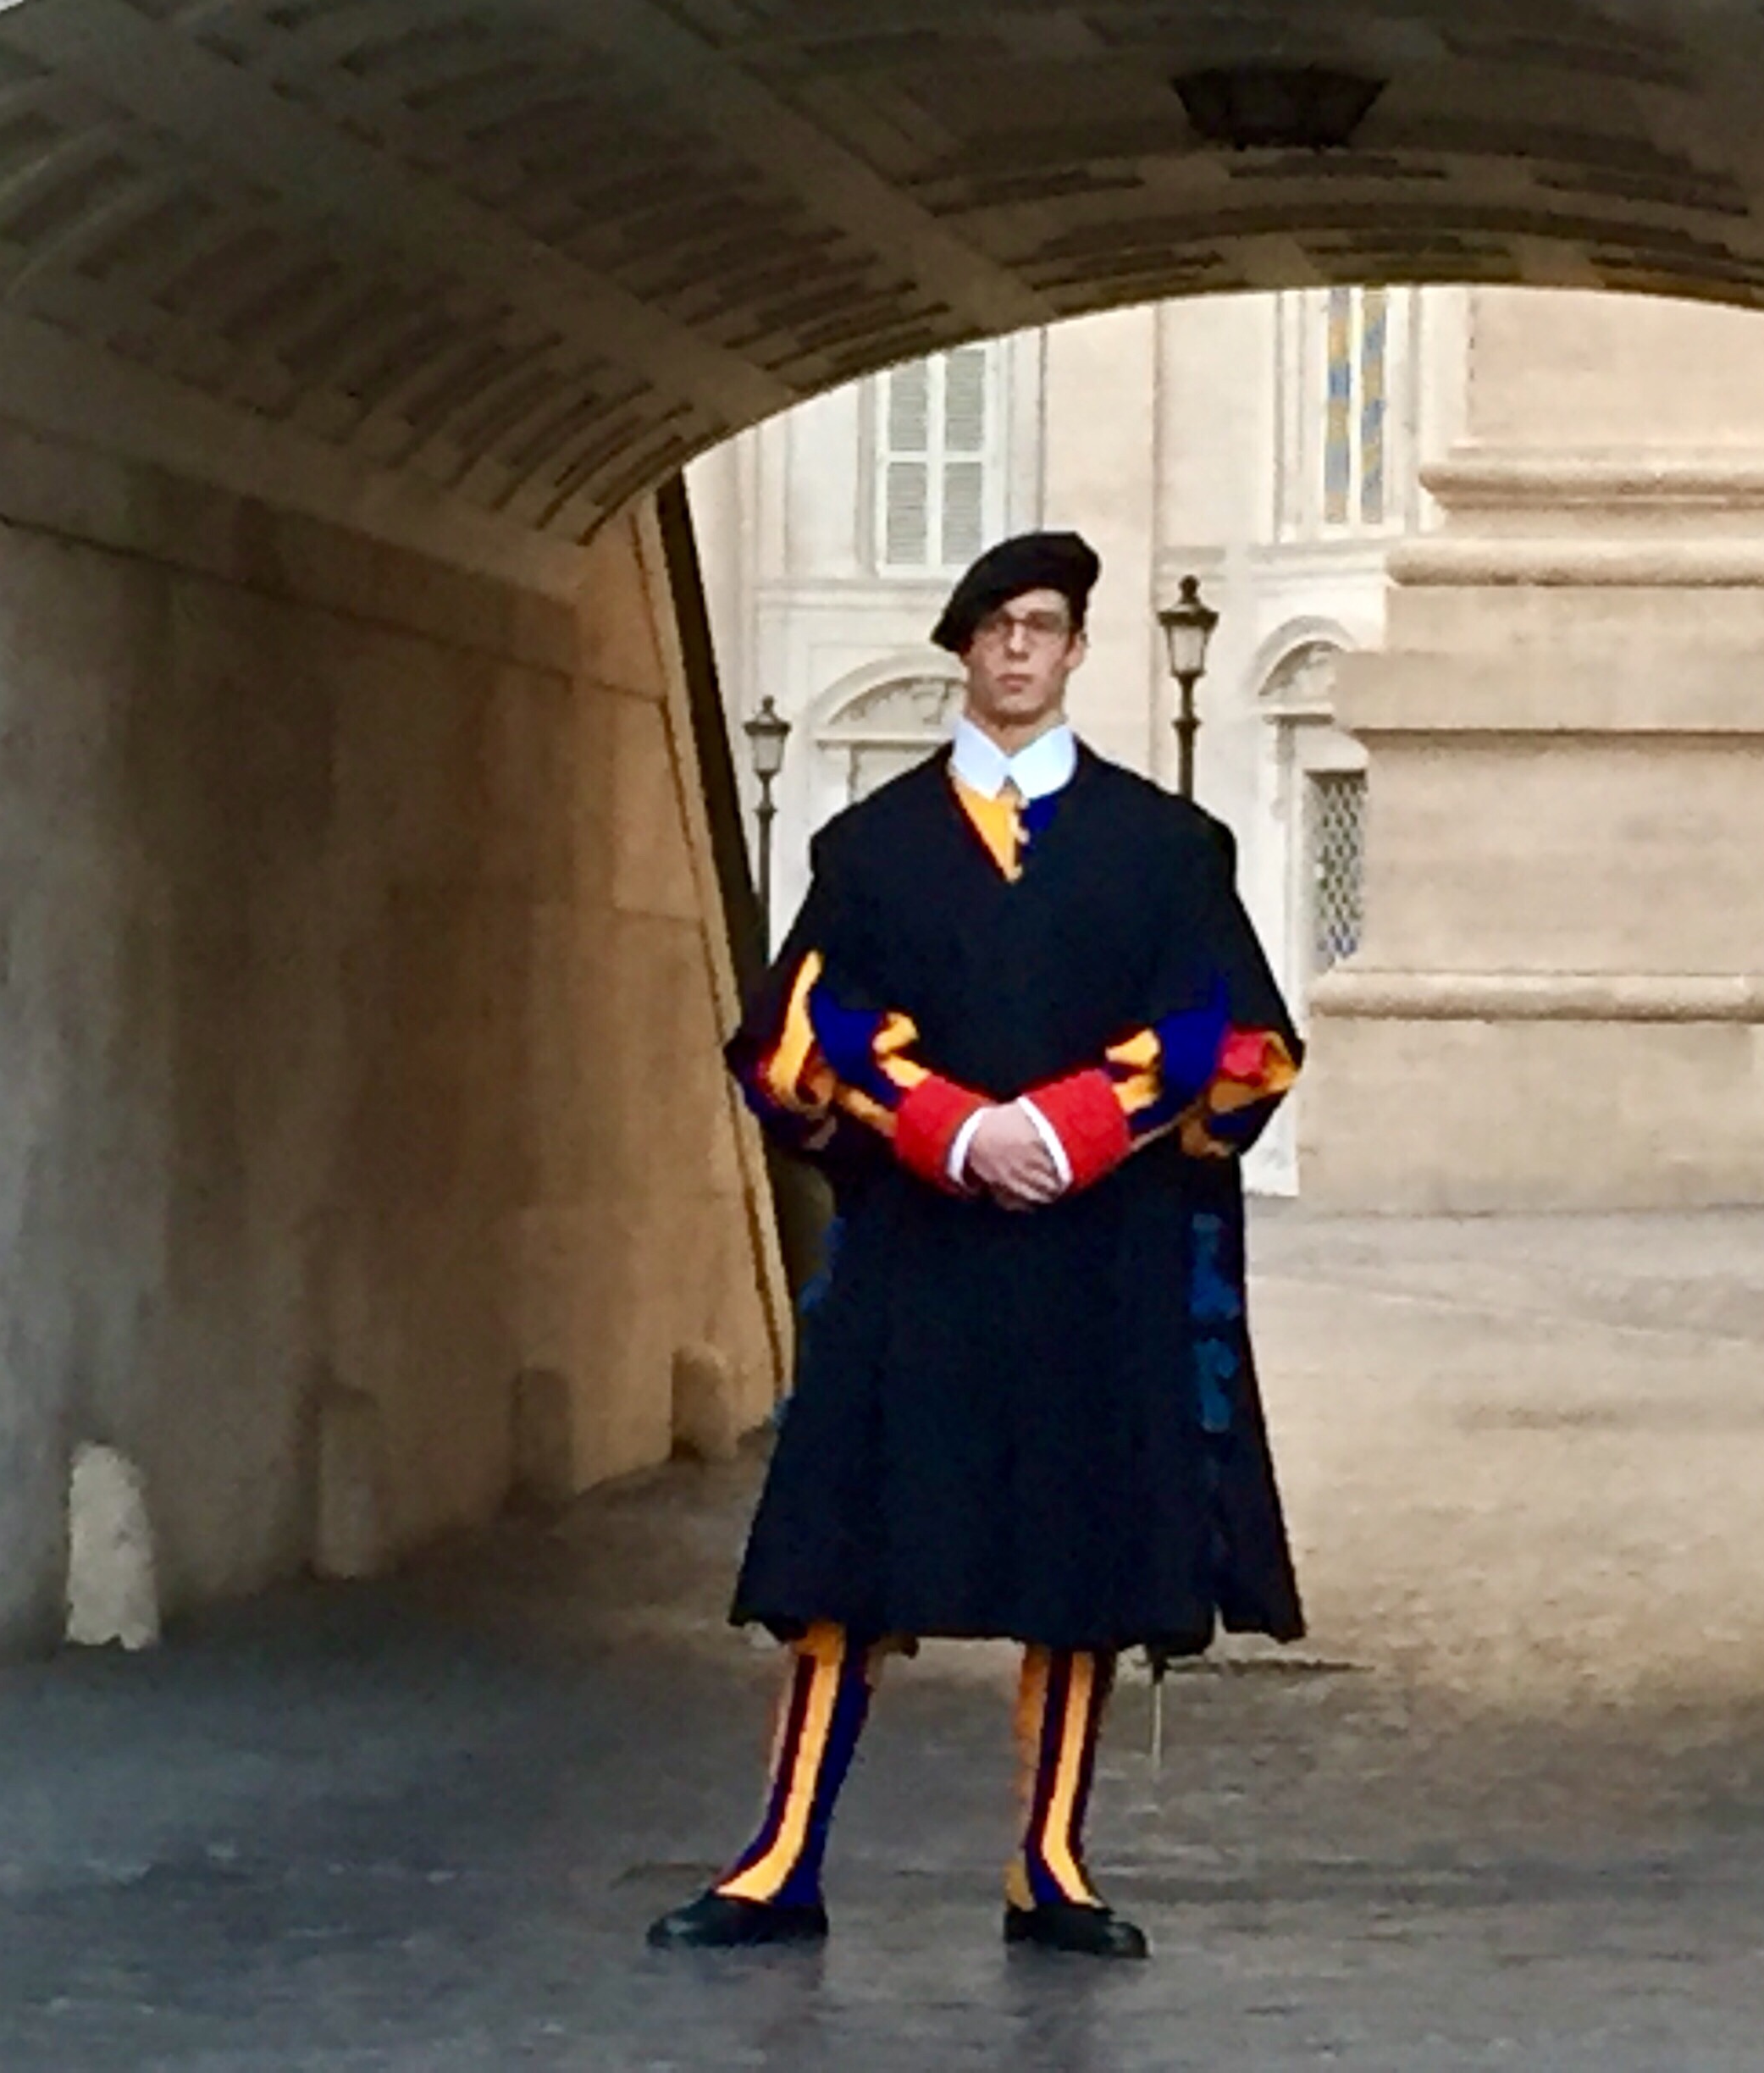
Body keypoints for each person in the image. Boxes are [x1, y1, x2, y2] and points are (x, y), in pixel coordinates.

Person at [648, 531, 1307, 1962]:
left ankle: (1049, 1864)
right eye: (997, 626)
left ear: (1076, 650)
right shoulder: (870, 850)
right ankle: (779, 1858)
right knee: (843, 1556)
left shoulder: (1166, 849)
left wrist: (1075, 1124)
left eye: (1044, 626)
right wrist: (944, 1126)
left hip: (1094, 1259)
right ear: (963, 647)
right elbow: (797, 1035)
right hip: (919, 1258)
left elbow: (1232, 1033)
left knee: (1079, 1567)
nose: (1019, 648)